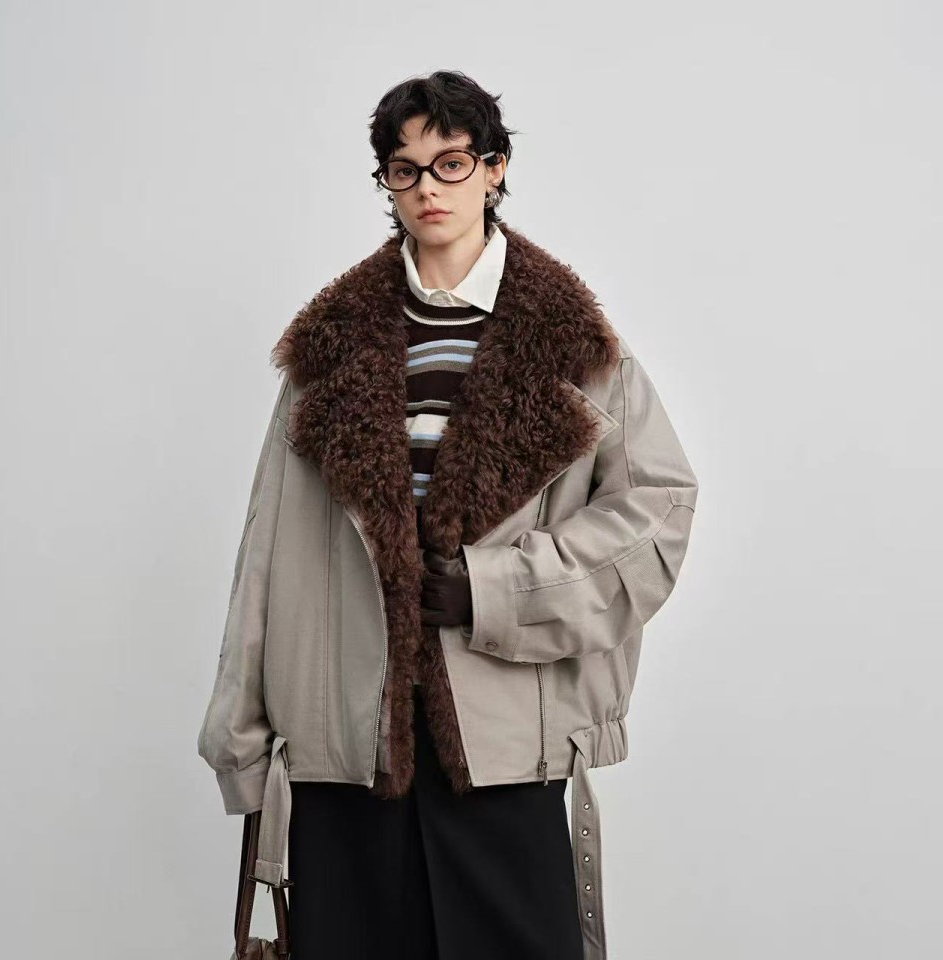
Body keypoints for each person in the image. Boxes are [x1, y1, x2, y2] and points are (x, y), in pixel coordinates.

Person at [197, 69, 699, 960]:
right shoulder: (327, 352)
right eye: (406, 169)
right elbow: (267, 553)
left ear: (495, 169)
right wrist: (241, 747)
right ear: (387, 184)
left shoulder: (579, 347)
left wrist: (497, 590)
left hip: (508, 743)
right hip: (345, 750)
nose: (429, 187)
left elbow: (657, 516)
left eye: (452, 162)